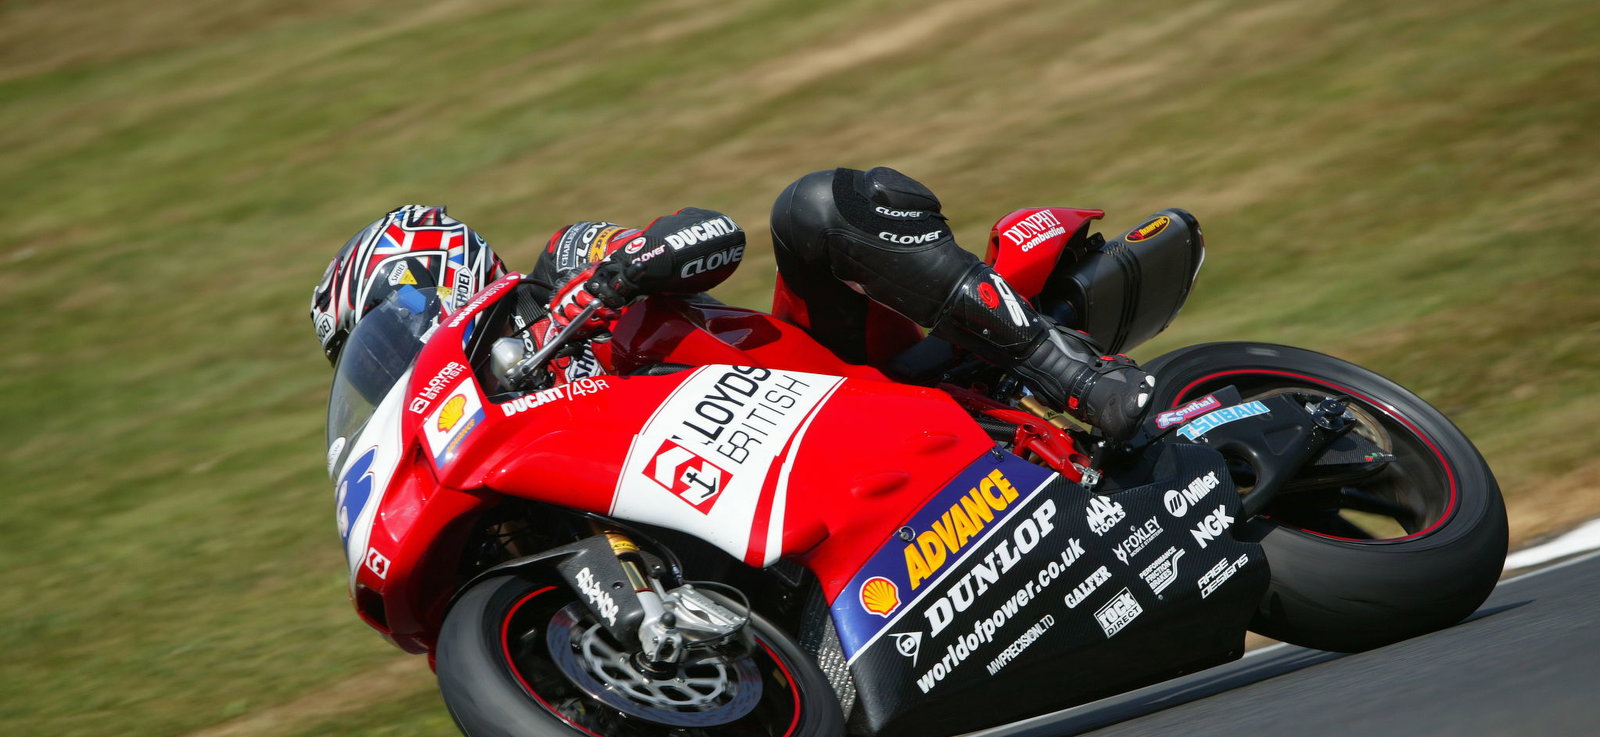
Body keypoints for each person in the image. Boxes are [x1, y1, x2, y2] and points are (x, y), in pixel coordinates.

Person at [311, 168, 1154, 439]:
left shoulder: (561, 266)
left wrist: (621, 273)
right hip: (766, 474)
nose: (390, 362)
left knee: (814, 209)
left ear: (426, 276)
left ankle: (1065, 368)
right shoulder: (496, 430)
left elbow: (709, 235)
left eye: (381, 334)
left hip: (825, 374)